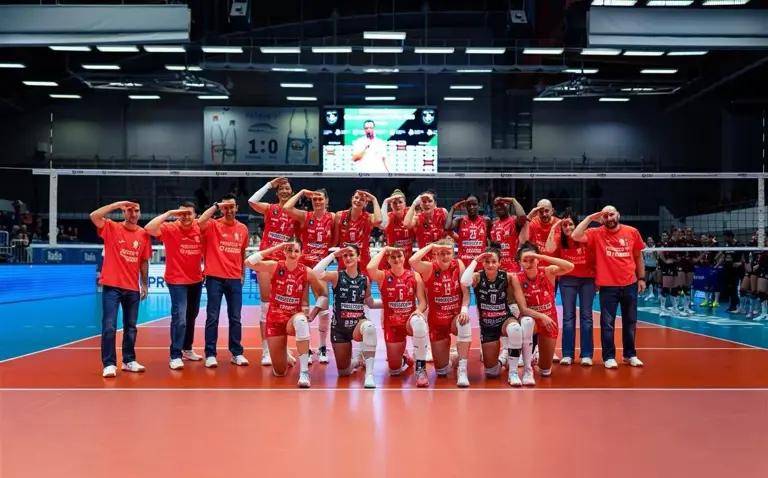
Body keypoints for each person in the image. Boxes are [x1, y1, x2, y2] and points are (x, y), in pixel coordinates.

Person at [572, 205, 646, 369]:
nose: (609, 218)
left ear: (618, 215)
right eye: (605, 216)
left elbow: (638, 256)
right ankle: (609, 357)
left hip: (630, 284)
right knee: (607, 324)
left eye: (611, 214)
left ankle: (630, 355)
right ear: (601, 218)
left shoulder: (632, 232)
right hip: (608, 286)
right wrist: (590, 218)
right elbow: (575, 235)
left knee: (630, 322)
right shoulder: (596, 233)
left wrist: (641, 278)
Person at [245, 241, 327, 388]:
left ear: (301, 253)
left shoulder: (306, 271)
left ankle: (304, 372)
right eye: (289, 250)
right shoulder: (275, 266)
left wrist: (314, 313)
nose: (293, 254)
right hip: (274, 321)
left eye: (296, 251)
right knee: (279, 372)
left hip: (292, 319)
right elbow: (248, 262)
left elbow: (323, 294)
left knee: (301, 321)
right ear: (284, 252)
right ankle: (284, 355)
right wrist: (277, 247)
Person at [89, 200, 151, 378]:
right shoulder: (112, 227)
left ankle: (128, 360)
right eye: (129, 210)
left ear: (140, 213)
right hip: (112, 286)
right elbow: (94, 216)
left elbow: (144, 261)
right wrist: (117, 204)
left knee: (131, 327)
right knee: (109, 326)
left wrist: (144, 283)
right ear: (124, 212)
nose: (133, 214)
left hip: (132, 288)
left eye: (136, 210)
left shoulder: (144, 234)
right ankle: (109, 364)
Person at [145, 201, 204, 370]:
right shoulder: (170, 228)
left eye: (189, 213)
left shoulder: (200, 228)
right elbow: (149, 228)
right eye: (182, 213)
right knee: (180, 318)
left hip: (196, 280)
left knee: (192, 316)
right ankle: (175, 355)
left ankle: (187, 348)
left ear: (195, 215)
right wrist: (169, 212)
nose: (185, 216)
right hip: (176, 280)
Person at [248, 177, 300, 366]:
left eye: (288, 188)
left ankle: (282, 349)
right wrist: (270, 184)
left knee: (282, 309)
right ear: (277, 193)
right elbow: (252, 201)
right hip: (267, 261)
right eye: (282, 188)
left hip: (284, 264)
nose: (285, 191)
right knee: (266, 307)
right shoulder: (270, 208)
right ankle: (266, 351)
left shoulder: (296, 214)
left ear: (292, 192)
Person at [282, 188, 336, 363]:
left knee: (324, 304)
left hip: (320, 267)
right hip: (304, 265)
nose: (317, 201)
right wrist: (302, 193)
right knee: (303, 306)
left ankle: (322, 346)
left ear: (327, 200)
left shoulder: (332, 217)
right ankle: (308, 348)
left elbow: (336, 238)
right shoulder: (306, 216)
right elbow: (287, 208)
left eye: (320, 198)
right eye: (315, 199)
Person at [313, 245, 378, 388]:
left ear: (358, 257)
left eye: (351, 254)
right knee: (344, 372)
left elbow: (371, 303)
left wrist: (390, 303)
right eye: (345, 255)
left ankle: (369, 376)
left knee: (369, 328)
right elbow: (315, 272)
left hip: (357, 324)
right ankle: (356, 362)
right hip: (339, 329)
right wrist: (333, 255)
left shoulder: (365, 280)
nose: (348, 258)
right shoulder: (336, 276)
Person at [409, 239, 472, 387]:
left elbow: (466, 293)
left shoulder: (459, 265)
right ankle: (453, 357)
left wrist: (464, 310)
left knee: (465, 323)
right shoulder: (429, 268)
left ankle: (462, 370)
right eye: (441, 253)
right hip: (437, 322)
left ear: (453, 254)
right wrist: (431, 246)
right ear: (436, 254)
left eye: (448, 253)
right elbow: (412, 261)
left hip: (455, 317)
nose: (445, 256)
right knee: (442, 371)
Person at [198, 194, 250, 368]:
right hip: (214, 278)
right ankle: (210, 354)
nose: (229, 210)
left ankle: (236, 353)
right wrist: (217, 205)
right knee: (212, 317)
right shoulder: (213, 225)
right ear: (221, 208)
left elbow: (242, 252)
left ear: (237, 208)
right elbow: (200, 222)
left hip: (234, 278)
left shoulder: (243, 229)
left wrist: (242, 273)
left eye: (231, 206)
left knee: (235, 317)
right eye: (225, 207)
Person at [367, 246, 430, 387]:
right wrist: (385, 249)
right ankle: (404, 357)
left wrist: (418, 311)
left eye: (399, 256)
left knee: (419, 323)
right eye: (393, 257)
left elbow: (423, 302)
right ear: (388, 259)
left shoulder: (414, 275)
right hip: (392, 325)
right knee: (394, 371)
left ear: (404, 257)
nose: (396, 259)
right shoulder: (383, 276)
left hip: (409, 321)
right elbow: (370, 268)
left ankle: (420, 368)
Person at [510, 243, 573, 384]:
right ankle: (527, 368)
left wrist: (541, 256)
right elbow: (523, 309)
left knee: (545, 371)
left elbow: (570, 266)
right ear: (520, 262)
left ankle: (535, 354)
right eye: (525, 260)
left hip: (549, 322)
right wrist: (542, 316)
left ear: (538, 260)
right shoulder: (516, 278)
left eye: (532, 259)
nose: (529, 263)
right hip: (532, 319)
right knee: (526, 322)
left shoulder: (548, 272)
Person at [460, 248, 524, 385]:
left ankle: (513, 373)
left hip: (504, 319)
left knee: (515, 329)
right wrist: (476, 260)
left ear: (500, 263)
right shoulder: (477, 277)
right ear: (483, 263)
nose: (490, 265)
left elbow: (520, 302)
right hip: (487, 325)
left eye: (494, 261)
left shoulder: (507, 277)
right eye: (487, 261)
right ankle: (503, 359)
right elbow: (464, 281)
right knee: (492, 372)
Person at [544, 213, 596, 366]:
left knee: (586, 317)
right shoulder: (560, 240)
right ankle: (567, 354)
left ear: (576, 225)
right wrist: (554, 226)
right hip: (567, 280)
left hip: (587, 280)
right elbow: (548, 249)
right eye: (565, 225)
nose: (567, 227)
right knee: (568, 317)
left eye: (570, 224)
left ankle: (586, 354)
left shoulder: (585, 237)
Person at [334, 190, 382, 275]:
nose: (358, 200)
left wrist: (374, 199)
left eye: (362, 199)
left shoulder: (369, 217)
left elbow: (379, 220)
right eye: (356, 198)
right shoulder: (340, 216)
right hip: (345, 262)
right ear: (352, 199)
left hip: (363, 263)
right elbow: (335, 240)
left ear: (366, 203)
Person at [445, 194, 492, 267]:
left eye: (474, 204)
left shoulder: (486, 220)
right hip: (463, 264)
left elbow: (490, 239)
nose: (471, 207)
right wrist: (453, 208)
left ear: (479, 205)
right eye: (469, 205)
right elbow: (447, 227)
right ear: (465, 206)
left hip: (480, 263)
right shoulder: (460, 220)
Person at [405, 189, 448, 262]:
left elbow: (449, 231)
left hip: (442, 260)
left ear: (435, 203)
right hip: (425, 261)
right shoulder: (417, 218)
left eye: (430, 201)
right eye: (424, 202)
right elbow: (406, 224)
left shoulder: (443, 212)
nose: (427, 204)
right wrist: (414, 204)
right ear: (420, 205)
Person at [380, 189, 414, 267]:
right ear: (391, 205)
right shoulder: (388, 217)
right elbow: (381, 224)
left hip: (407, 260)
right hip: (391, 260)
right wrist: (385, 202)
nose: (397, 205)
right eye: (394, 203)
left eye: (400, 202)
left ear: (405, 204)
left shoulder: (411, 216)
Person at [716, 230, 744, 313]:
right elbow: (723, 257)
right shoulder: (727, 245)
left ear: (730, 237)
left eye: (725, 237)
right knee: (729, 288)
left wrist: (740, 263)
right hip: (727, 270)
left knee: (735, 288)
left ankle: (737, 306)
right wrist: (716, 266)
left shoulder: (739, 245)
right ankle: (732, 305)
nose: (724, 239)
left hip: (736, 271)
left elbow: (744, 257)